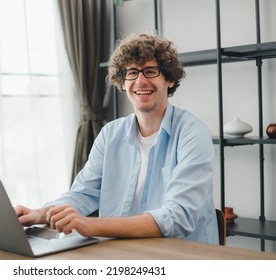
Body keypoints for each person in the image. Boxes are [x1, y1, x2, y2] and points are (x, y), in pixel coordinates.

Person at [15, 33, 219, 244]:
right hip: (122, 253)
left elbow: (177, 217)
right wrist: (40, 214)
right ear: (123, 83)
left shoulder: (193, 133)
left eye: (150, 71)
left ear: (170, 79)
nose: (140, 81)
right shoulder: (110, 134)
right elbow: (82, 194)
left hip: (182, 258)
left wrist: (87, 224)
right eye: (132, 73)